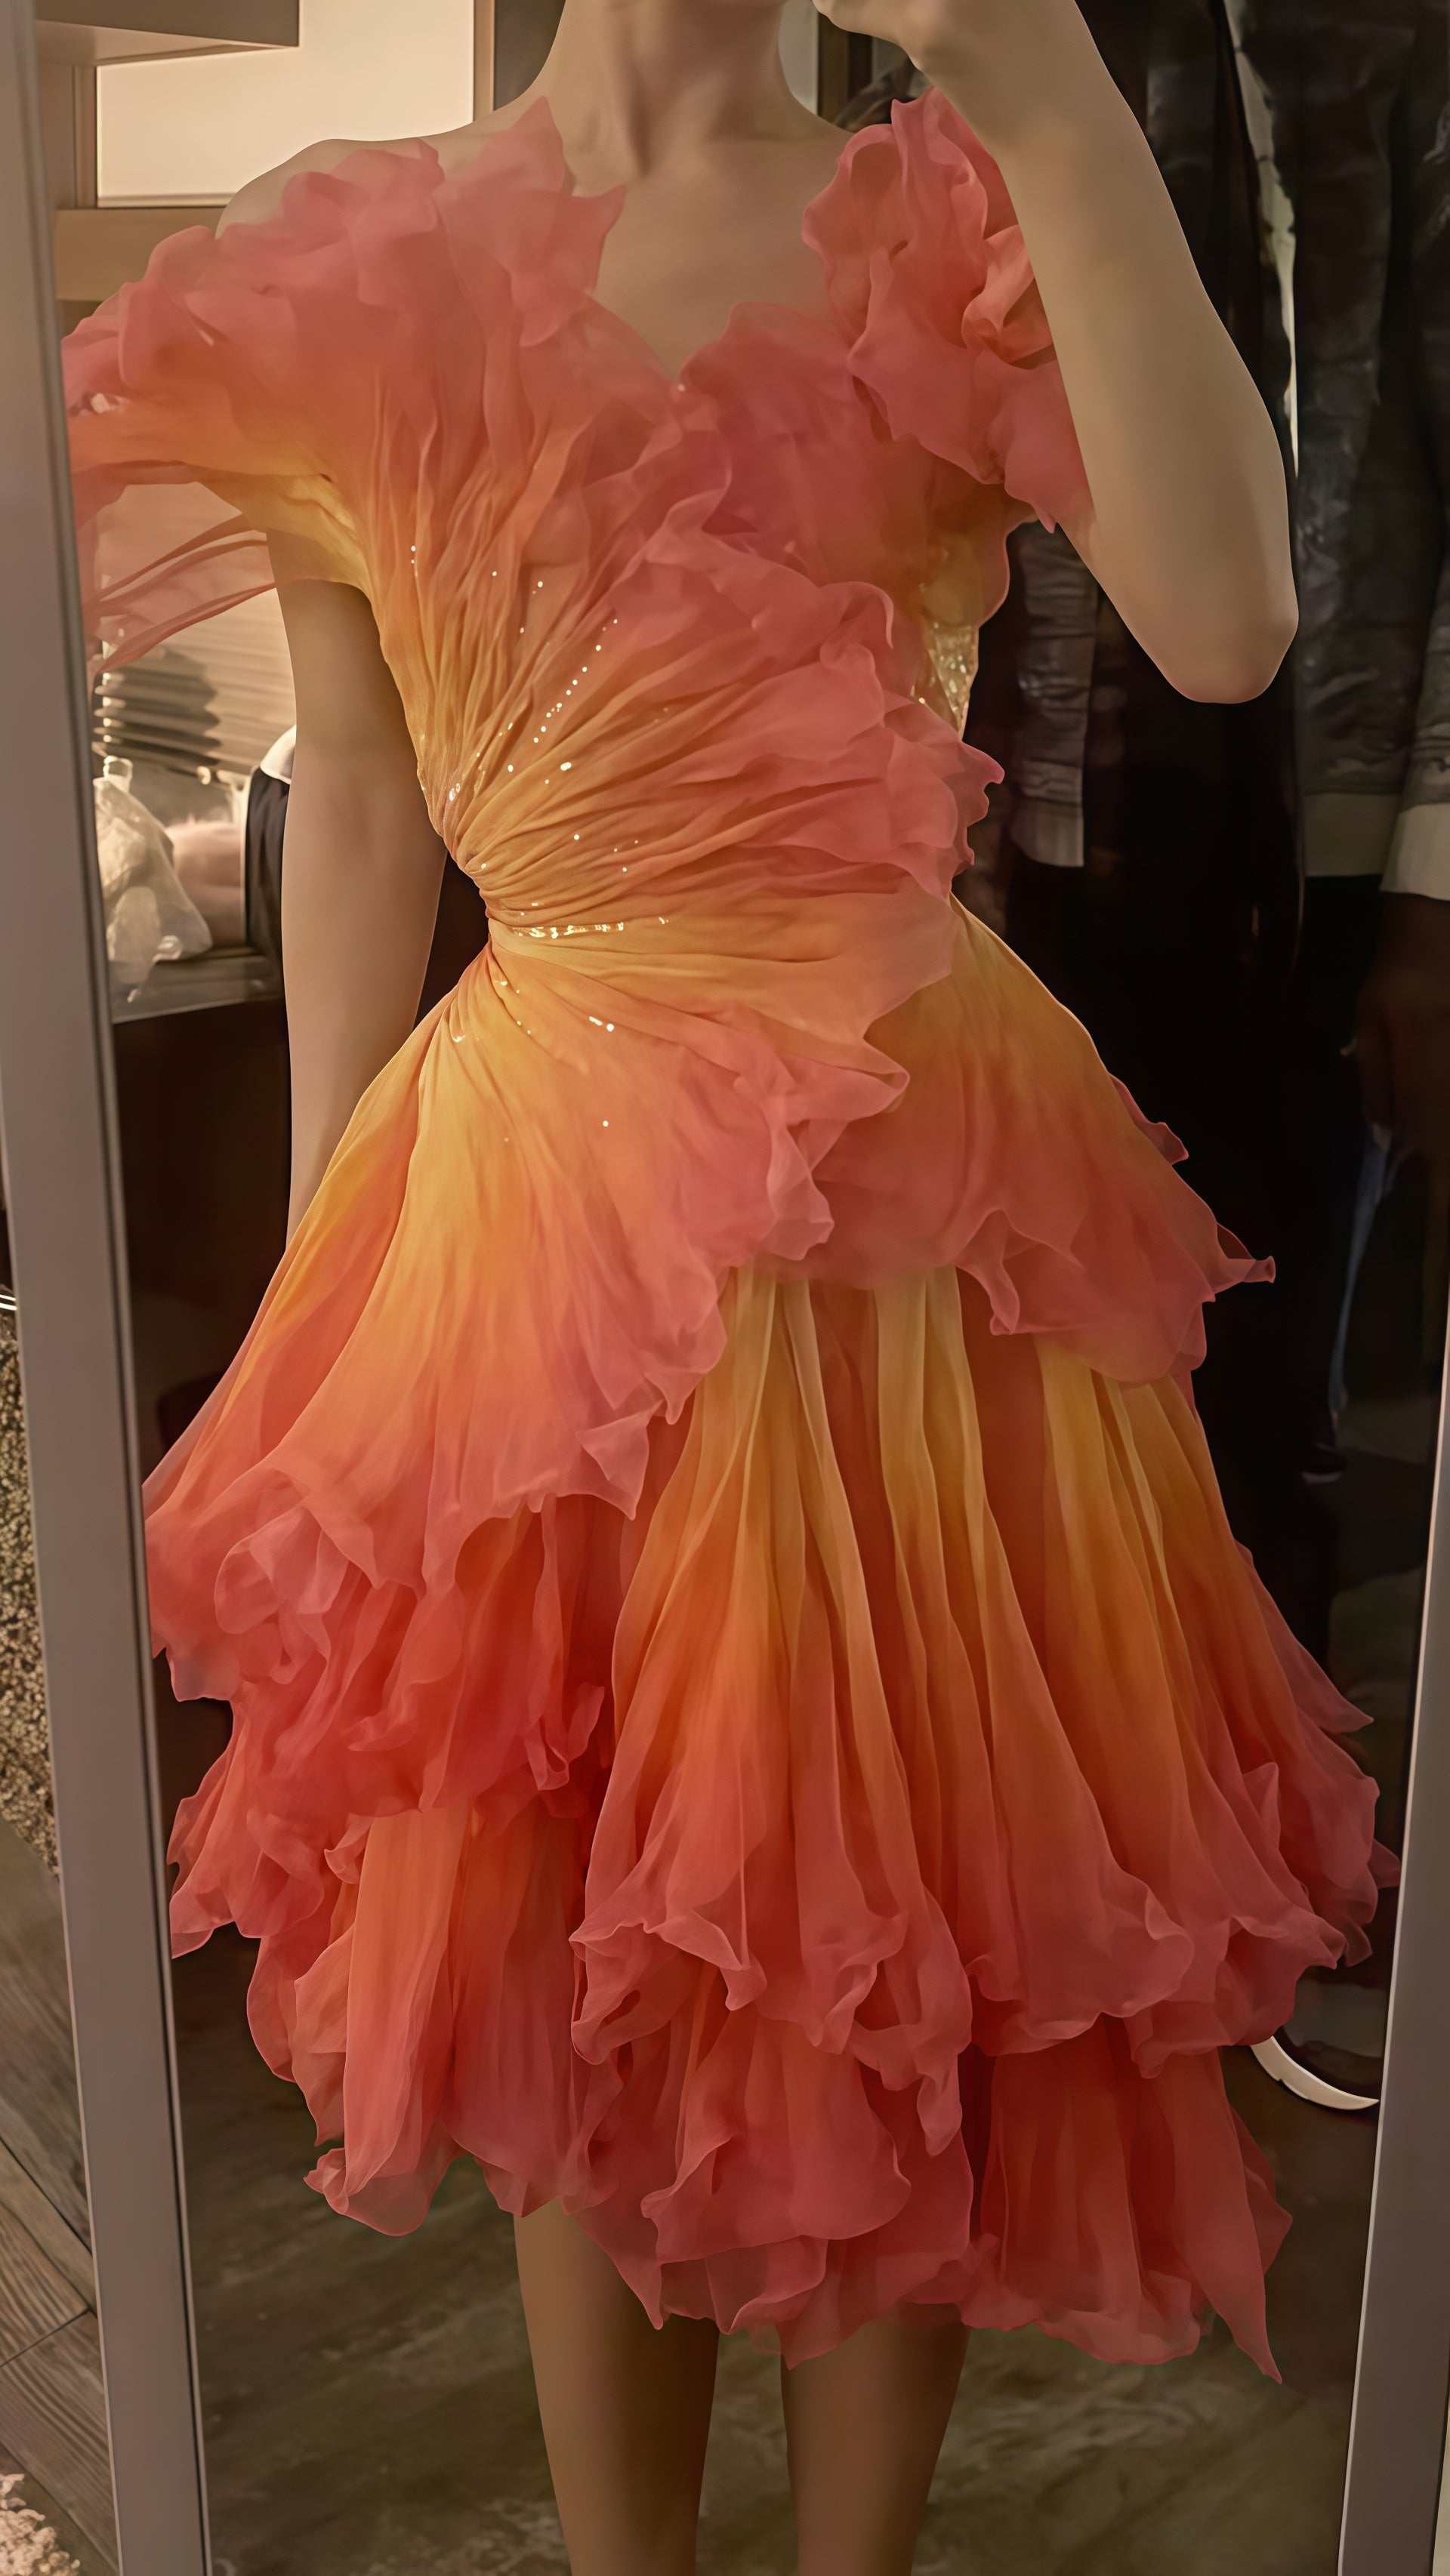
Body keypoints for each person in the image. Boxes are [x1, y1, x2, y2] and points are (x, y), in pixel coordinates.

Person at [64, 3, 1390, 2571]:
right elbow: (361, 786)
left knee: (906, 1939)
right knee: (576, 1941)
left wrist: (1044, 86)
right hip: (534, 1195)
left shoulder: (944, 213)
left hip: (901, 1216)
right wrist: (335, 1258)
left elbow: (1231, 621)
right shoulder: (361, 248)